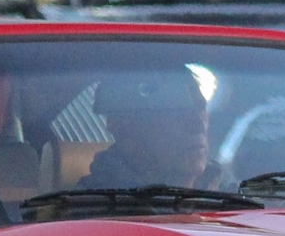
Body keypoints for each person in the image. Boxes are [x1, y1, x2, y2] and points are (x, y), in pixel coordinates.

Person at [80, 69, 228, 191]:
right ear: (124, 126)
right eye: (177, 111)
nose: (198, 125)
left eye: (201, 107)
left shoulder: (236, 198)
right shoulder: (88, 210)